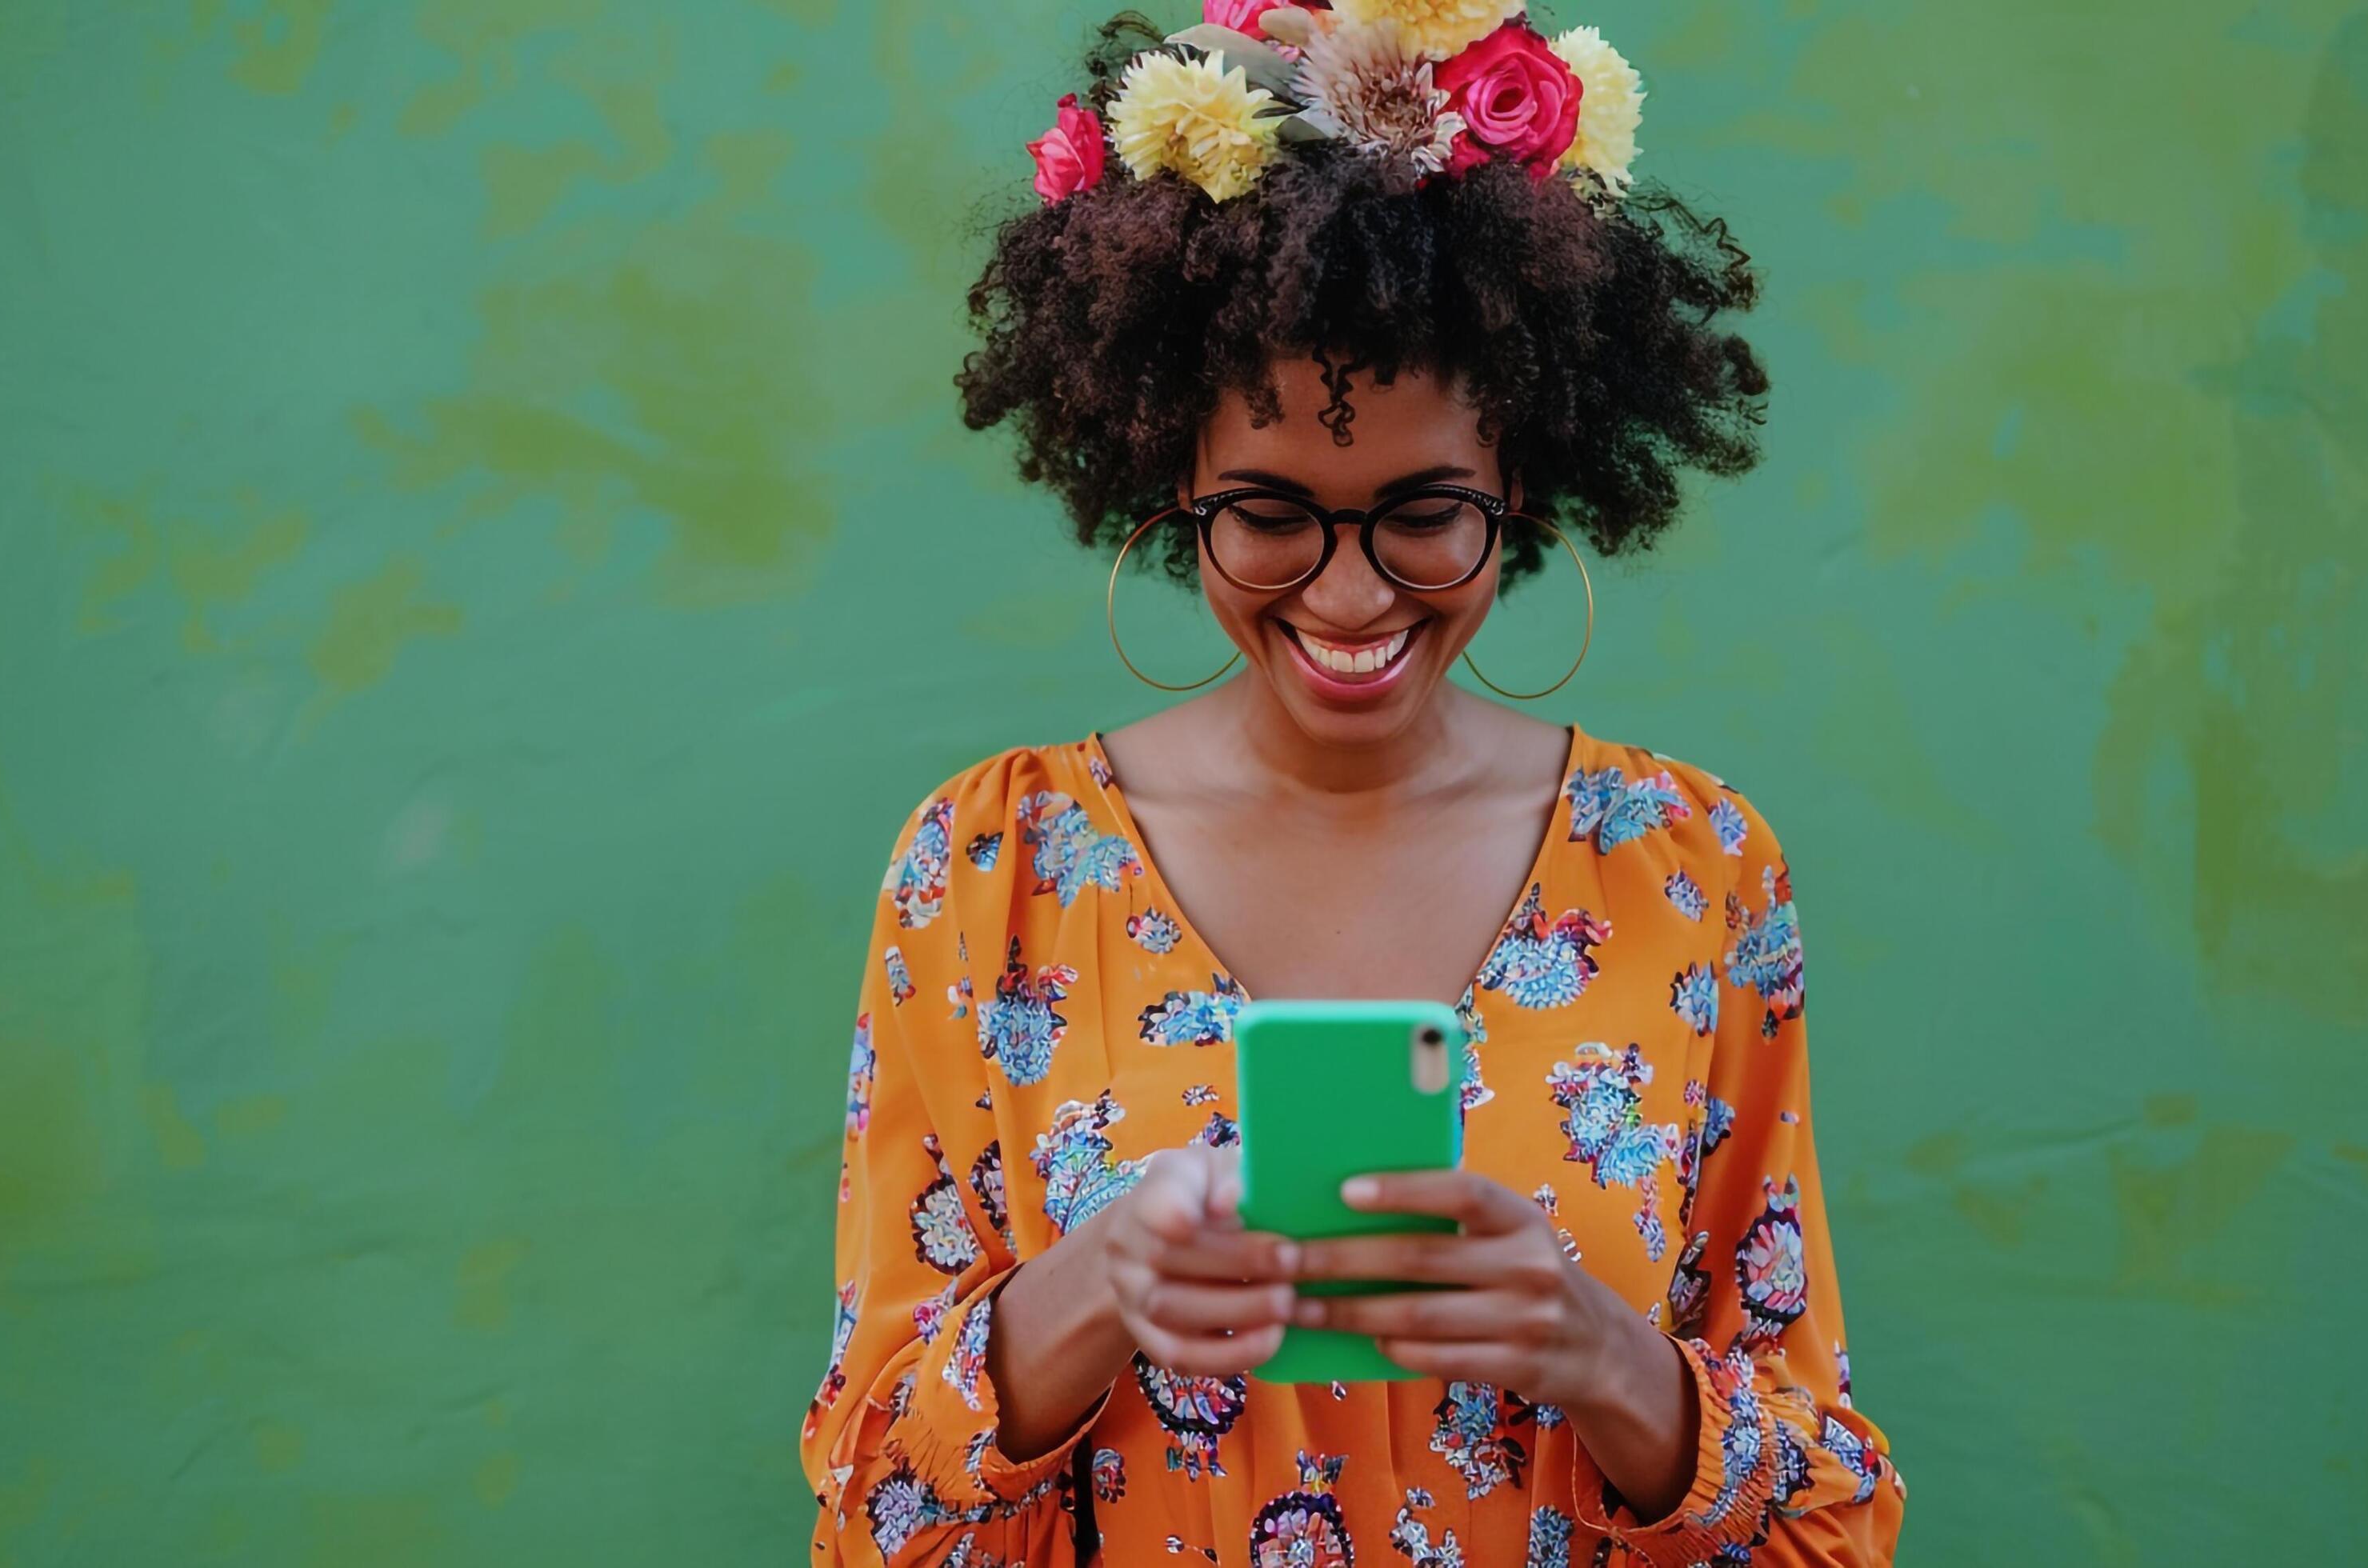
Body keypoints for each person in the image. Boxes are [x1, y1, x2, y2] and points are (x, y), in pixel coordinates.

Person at [802, 6, 1902, 1562]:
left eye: (1421, 512)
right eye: (1268, 511)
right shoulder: (990, 872)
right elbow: (876, 1510)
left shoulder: (1691, 867)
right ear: (1166, 475)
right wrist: (1096, 1286)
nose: (1346, 592)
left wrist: (1597, 1351)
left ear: (1519, 483)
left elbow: (1823, 1522)